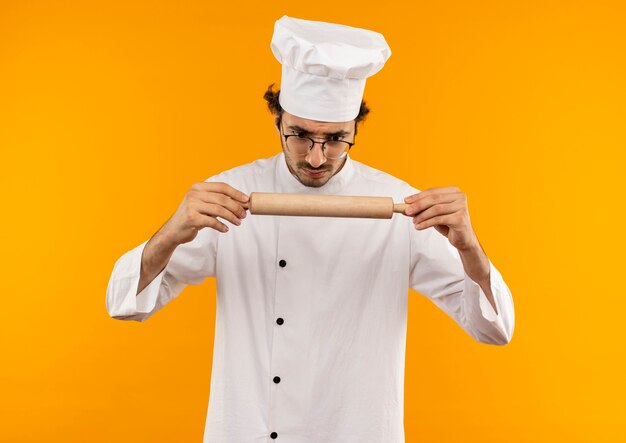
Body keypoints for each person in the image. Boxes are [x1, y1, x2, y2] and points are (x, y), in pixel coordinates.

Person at [106, 15, 515, 443]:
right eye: (300, 135)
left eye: (336, 139)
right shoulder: (231, 195)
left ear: (357, 126)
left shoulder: (399, 206)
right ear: (277, 120)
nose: (317, 158)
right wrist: (172, 231)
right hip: (246, 431)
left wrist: (471, 250)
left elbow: (494, 329)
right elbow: (124, 303)